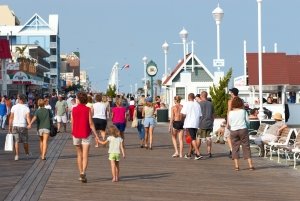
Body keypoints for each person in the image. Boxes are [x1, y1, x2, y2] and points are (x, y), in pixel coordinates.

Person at [71, 92, 99, 183]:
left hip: (76, 133)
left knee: (79, 154)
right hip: (86, 133)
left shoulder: (73, 109)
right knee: (85, 155)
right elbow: (91, 123)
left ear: (78, 99)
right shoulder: (88, 109)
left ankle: (80, 173)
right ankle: (83, 172)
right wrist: (96, 135)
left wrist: (73, 132)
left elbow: (72, 122)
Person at [228, 96, 254, 171]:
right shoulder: (243, 111)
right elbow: (248, 122)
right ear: (241, 103)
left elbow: (229, 123)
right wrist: (247, 128)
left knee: (235, 148)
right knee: (246, 147)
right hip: (243, 129)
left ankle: (237, 166)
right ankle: (250, 165)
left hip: (234, 130)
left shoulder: (231, 113)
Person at [8, 94, 31, 161]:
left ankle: (17, 155)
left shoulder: (14, 107)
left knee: (16, 141)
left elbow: (11, 118)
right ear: (23, 100)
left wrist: (9, 127)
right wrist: (29, 124)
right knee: (25, 141)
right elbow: (28, 117)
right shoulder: (26, 108)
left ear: (19, 99)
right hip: (23, 126)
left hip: (15, 125)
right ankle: (27, 153)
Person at [181, 93, 203, 160]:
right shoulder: (197, 104)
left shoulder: (187, 104)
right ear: (194, 97)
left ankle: (197, 153)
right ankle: (189, 154)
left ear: (188, 97)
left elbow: (183, 114)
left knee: (192, 138)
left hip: (189, 123)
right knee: (192, 138)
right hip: (196, 124)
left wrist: (182, 120)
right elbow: (200, 115)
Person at [197, 91, 214, 158]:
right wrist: (212, 123)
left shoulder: (199, 104)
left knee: (199, 137)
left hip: (201, 123)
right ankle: (209, 152)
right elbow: (213, 115)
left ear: (201, 96)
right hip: (209, 123)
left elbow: (197, 115)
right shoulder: (211, 104)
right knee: (208, 138)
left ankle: (197, 151)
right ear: (206, 96)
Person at [227, 87, 239, 159]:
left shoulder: (230, 101)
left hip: (232, 120)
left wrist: (228, 123)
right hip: (239, 121)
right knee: (236, 138)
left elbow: (229, 112)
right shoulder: (241, 100)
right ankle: (235, 151)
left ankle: (232, 151)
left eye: (231, 92)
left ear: (232, 93)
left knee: (227, 136)